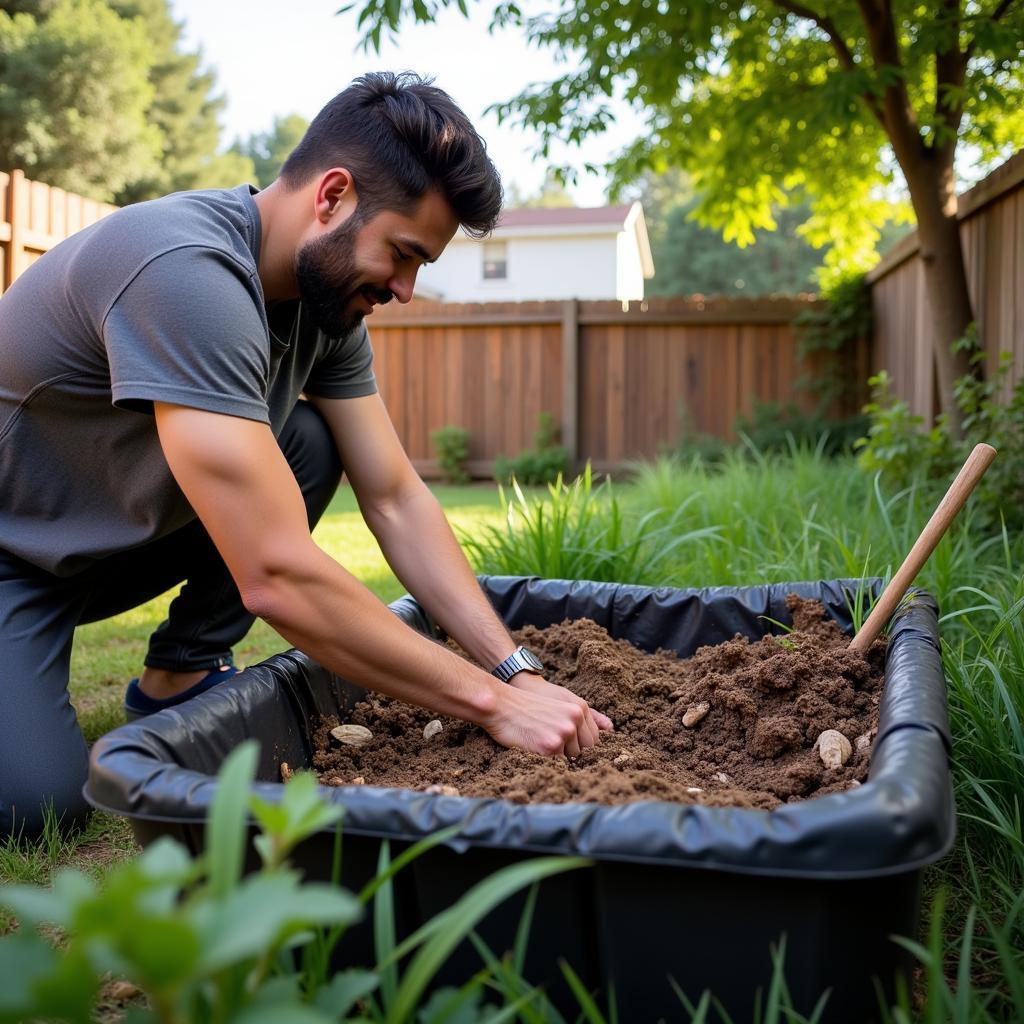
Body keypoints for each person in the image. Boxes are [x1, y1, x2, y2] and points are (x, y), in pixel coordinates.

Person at [0, 71, 612, 839]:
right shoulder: (183, 271)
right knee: (34, 809)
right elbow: (278, 575)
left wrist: (510, 666)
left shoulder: (326, 312)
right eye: (402, 253)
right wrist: (495, 707)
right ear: (332, 196)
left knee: (309, 445)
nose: (407, 289)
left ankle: (178, 674)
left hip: (104, 538)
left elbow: (394, 496)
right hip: (12, 550)